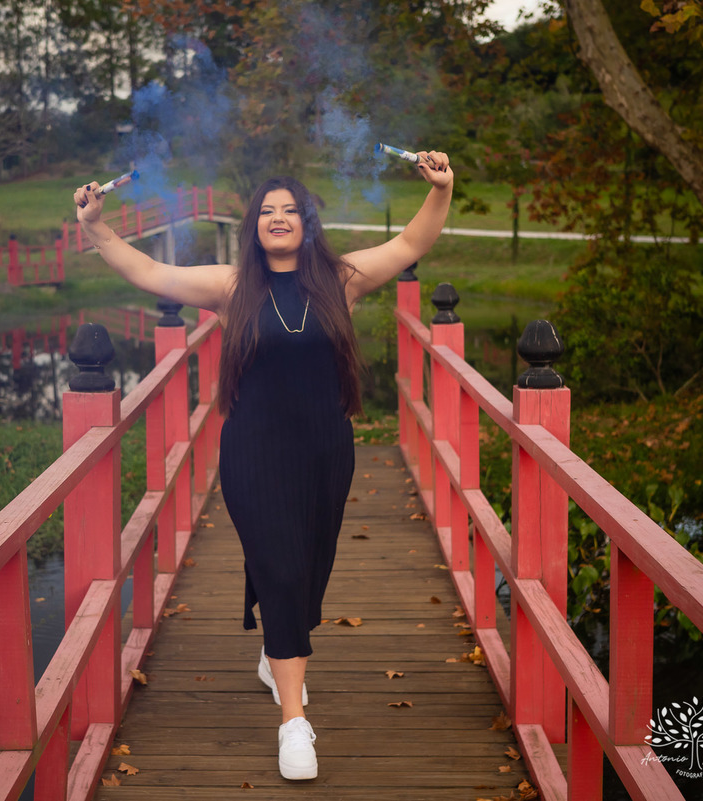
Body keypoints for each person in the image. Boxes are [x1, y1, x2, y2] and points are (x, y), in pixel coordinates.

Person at [72, 153, 453, 780]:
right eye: (267, 212)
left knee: (307, 569)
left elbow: (413, 240)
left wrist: (440, 190)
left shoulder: (342, 278)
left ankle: (278, 642)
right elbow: (148, 271)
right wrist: (95, 227)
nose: (278, 219)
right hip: (253, 451)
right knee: (278, 566)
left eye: (290, 211)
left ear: (307, 222)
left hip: (327, 450)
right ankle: (294, 725)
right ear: (254, 226)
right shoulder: (231, 286)